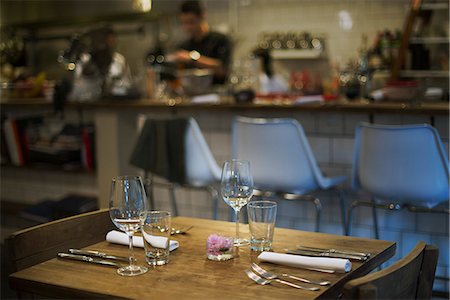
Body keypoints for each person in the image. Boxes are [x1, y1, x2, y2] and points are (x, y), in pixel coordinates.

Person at [168, 0, 232, 84]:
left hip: (217, 93)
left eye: (191, 22)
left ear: (202, 16)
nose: (187, 27)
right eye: (184, 23)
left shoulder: (220, 40)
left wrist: (192, 58)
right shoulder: (184, 46)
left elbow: (222, 70)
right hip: (191, 93)